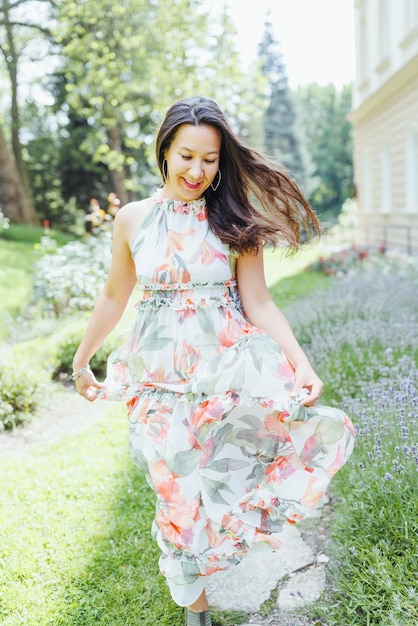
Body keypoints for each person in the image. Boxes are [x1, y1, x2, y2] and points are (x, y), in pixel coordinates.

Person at [72, 96, 355, 626]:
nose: (197, 171)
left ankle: (232, 546)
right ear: (164, 151)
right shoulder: (133, 220)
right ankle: (197, 614)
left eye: (209, 159)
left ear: (221, 161)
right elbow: (115, 295)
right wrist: (83, 357)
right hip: (159, 383)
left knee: (232, 483)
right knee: (175, 497)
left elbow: (261, 302)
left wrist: (302, 364)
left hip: (230, 375)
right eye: (186, 156)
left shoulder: (233, 220)